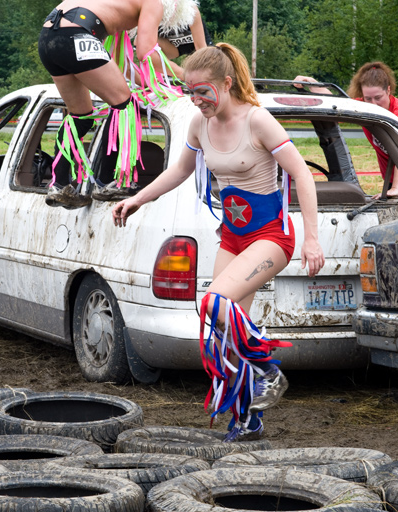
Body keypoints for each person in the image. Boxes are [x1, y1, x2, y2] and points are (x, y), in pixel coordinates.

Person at [112, 44, 325, 442]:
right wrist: (138, 199)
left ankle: (268, 371)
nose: (197, 100)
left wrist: (312, 239)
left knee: (216, 300)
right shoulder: (198, 123)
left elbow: (303, 174)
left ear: (226, 84)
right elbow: (179, 170)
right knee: (222, 335)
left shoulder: (258, 121)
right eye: (190, 92)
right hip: (232, 238)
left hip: (271, 237)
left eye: (203, 91)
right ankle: (248, 422)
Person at [38, 0, 187, 209]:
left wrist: (153, 83)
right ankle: (108, 182)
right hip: (77, 33)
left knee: (80, 115)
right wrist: (186, 76)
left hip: (49, 37)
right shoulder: (154, 2)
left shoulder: (115, 6)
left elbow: (119, 64)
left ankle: (59, 185)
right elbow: (146, 52)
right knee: (125, 105)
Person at [295, 64, 398, 198]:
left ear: (388, 90)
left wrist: (396, 188)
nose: (373, 104)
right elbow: (336, 103)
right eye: (367, 99)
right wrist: (310, 82)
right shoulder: (365, 108)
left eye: (378, 98)